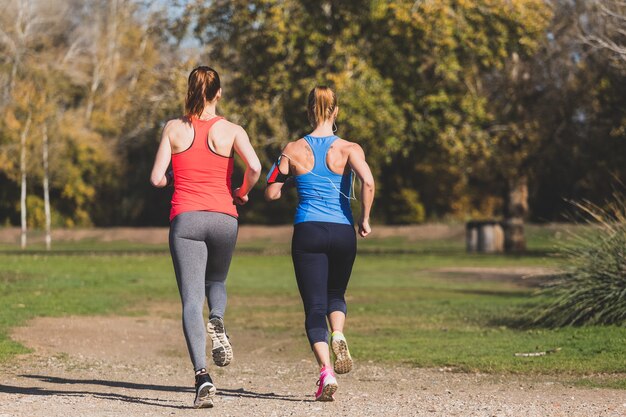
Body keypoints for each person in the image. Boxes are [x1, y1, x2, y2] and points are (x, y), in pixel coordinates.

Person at [150, 66, 261, 408]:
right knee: (218, 280)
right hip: (224, 217)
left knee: (189, 300)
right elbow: (255, 167)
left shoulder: (173, 128)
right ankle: (218, 319)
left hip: (186, 220)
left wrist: (171, 178)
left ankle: (202, 377)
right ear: (219, 93)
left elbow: (156, 178)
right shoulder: (231, 130)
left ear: (190, 91)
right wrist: (241, 191)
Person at [265, 86, 375, 401]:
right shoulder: (351, 148)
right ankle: (339, 333)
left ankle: (326, 371)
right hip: (342, 231)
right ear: (335, 111)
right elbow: (368, 181)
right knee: (335, 295)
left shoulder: (292, 149)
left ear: (309, 110)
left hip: (308, 230)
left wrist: (284, 173)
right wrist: (364, 218)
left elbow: (272, 192)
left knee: (314, 307)